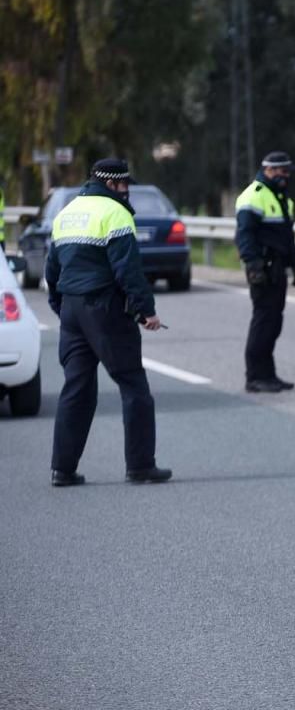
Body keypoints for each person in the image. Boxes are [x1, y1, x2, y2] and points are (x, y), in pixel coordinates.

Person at [44, 158, 171, 487]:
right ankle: (141, 466)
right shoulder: (115, 214)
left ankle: (62, 469)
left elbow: (52, 270)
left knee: (76, 389)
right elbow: (127, 270)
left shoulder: (67, 213)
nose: (127, 191)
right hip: (104, 307)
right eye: (125, 184)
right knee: (133, 385)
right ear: (113, 184)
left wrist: (62, 308)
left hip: (72, 310)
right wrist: (146, 311)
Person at [235, 151, 295, 393]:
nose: (286, 176)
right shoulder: (253, 196)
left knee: (274, 322)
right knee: (263, 322)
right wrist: (253, 266)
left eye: (287, 172)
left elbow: (287, 237)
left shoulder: (283, 198)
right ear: (270, 171)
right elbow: (244, 236)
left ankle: (268, 374)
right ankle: (254, 376)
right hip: (262, 269)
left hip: (278, 269)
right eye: (283, 172)